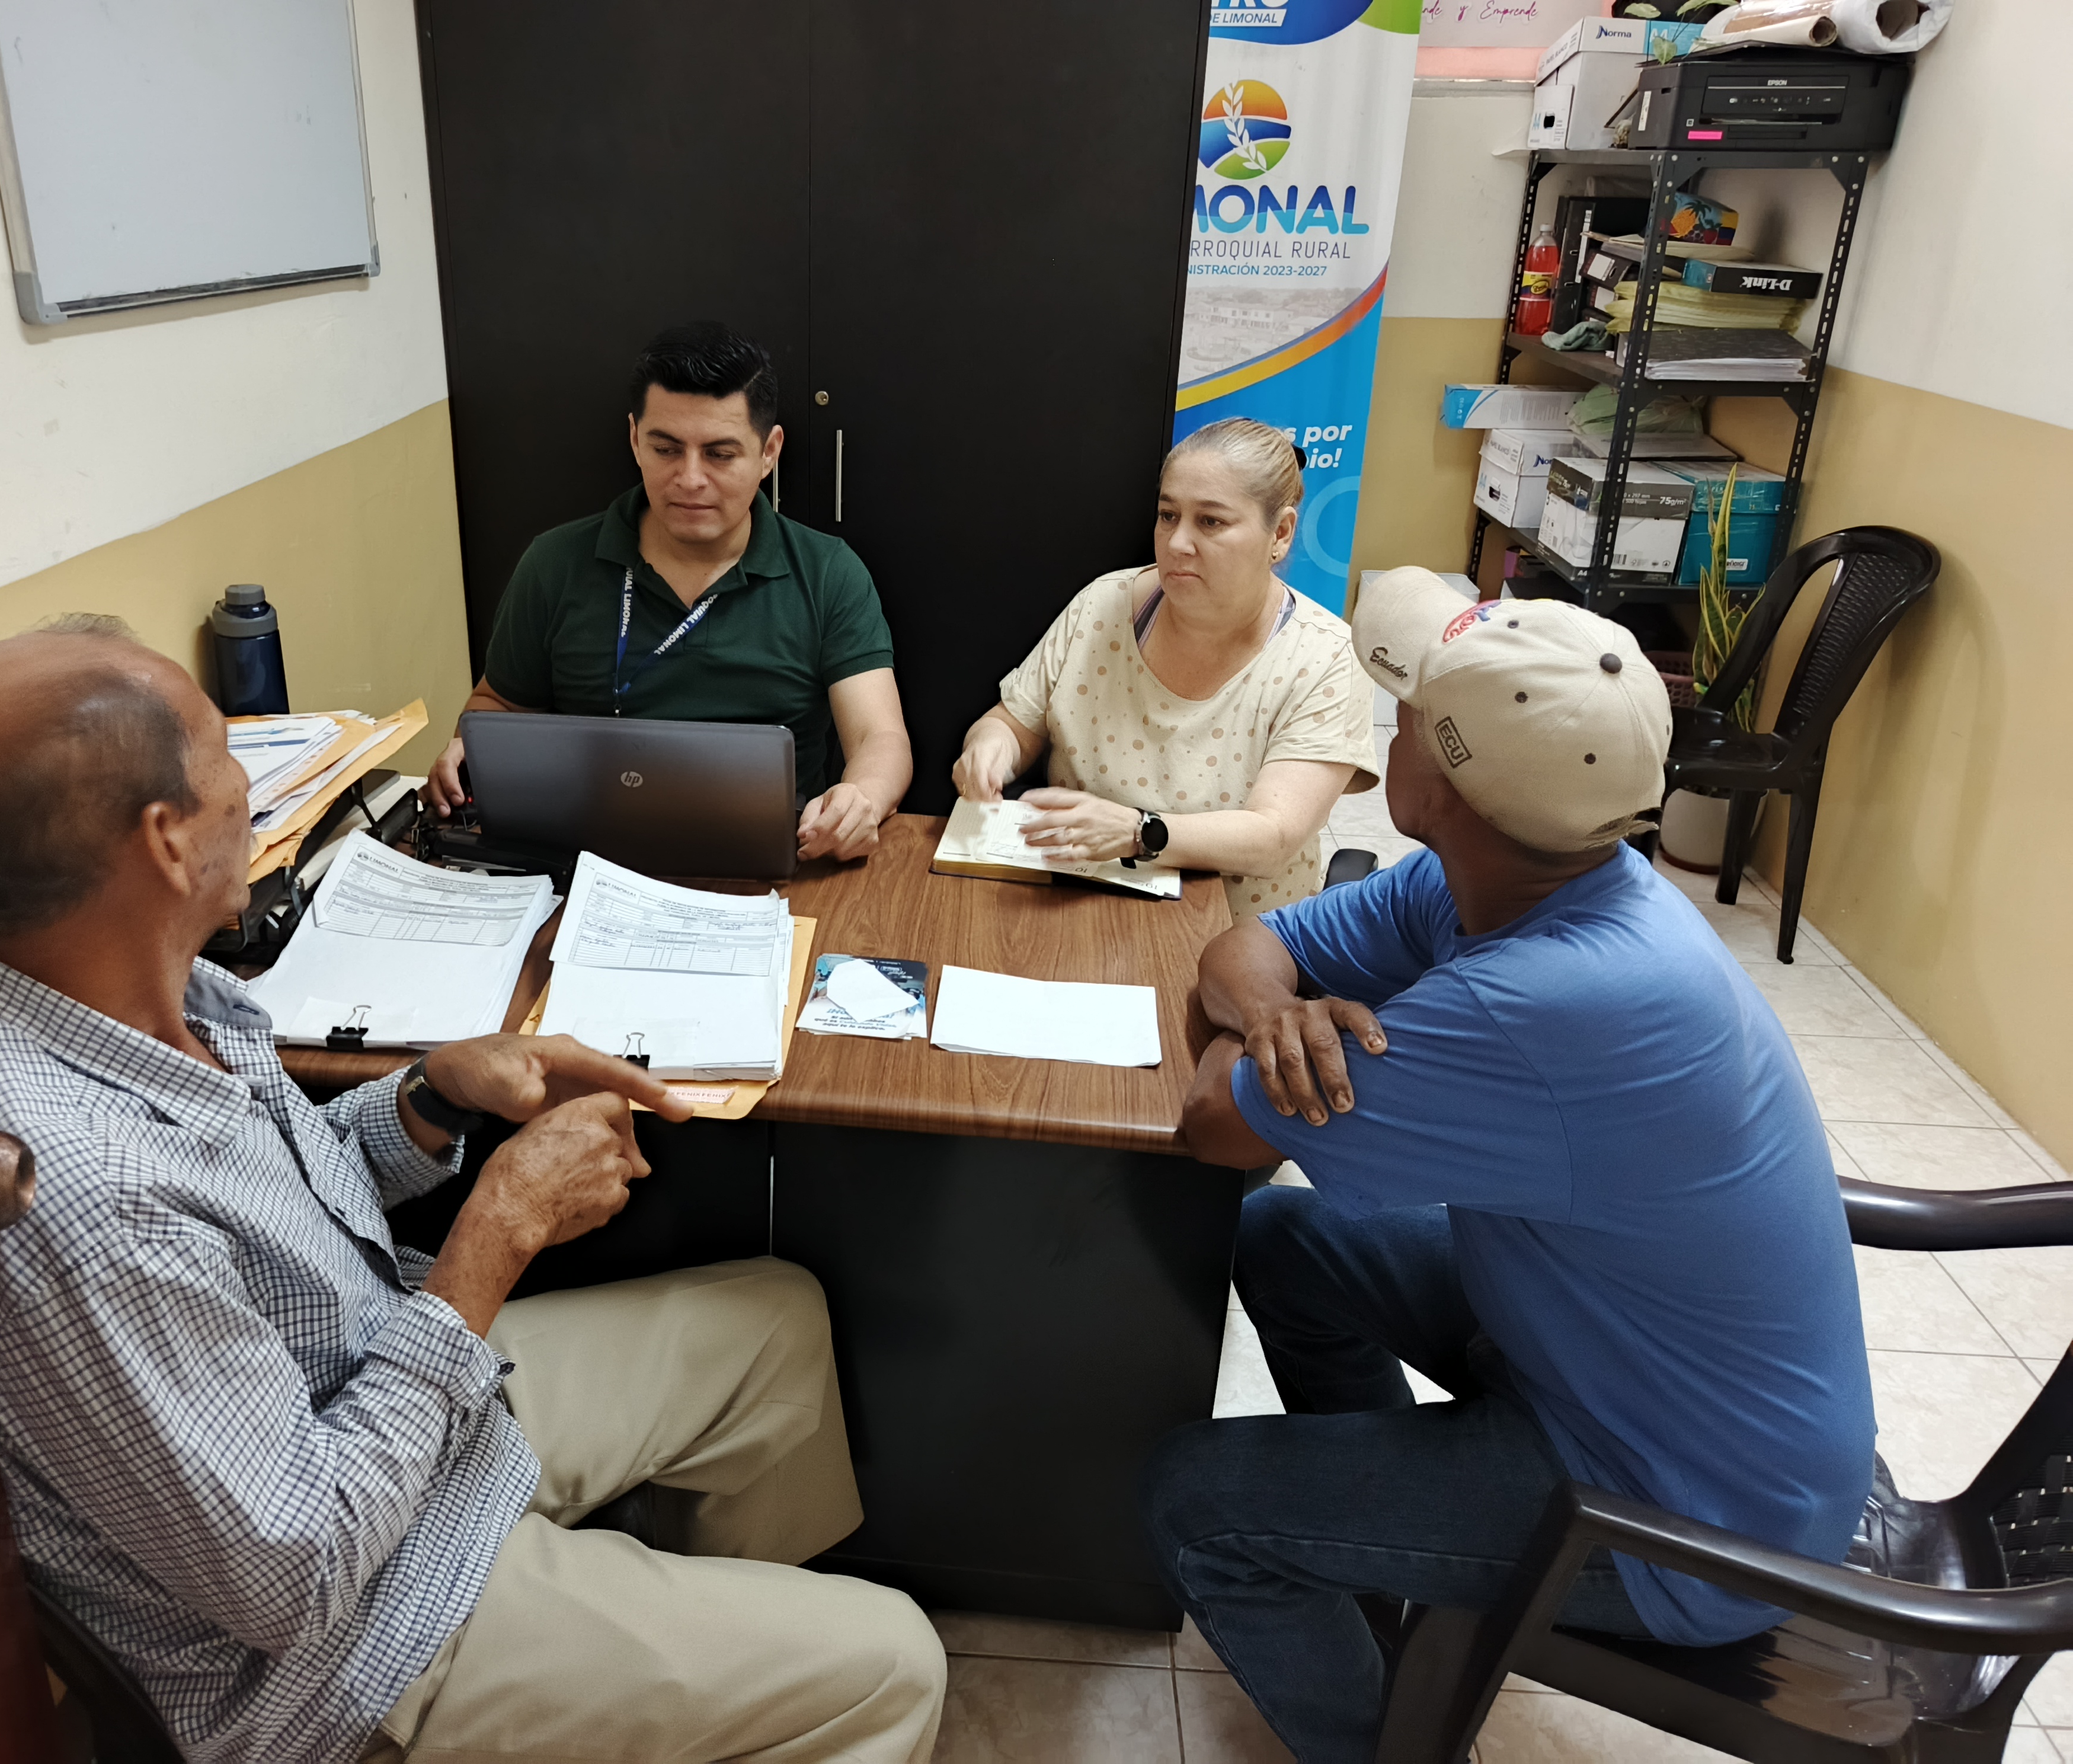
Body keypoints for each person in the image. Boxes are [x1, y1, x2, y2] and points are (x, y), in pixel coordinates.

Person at [0, 616, 944, 1764]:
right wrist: (497, 1233)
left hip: (384, 1414)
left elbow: (276, 1210)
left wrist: (433, 1096)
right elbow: (294, 1574)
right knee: (894, 1665)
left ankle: (689, 1695)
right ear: (165, 839)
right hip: (351, 1645)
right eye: (230, 755)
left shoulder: (116, 981)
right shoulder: (80, 1189)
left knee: (774, 1320)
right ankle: (698, 1681)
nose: (254, 789)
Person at [1149, 568, 1875, 1764]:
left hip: (1686, 1519)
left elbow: (1210, 1127)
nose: (1389, 726)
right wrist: (1276, 1018)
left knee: (1195, 1501)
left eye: (1404, 714)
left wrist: (1253, 1044)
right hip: (1617, 1374)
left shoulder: (1538, 1004)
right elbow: (1251, 944)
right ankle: (1386, 1569)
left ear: (1432, 786)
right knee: (1284, 1239)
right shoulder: (1525, 872)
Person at [427, 321, 911, 862]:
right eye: (666, 449)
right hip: (583, 855)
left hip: (774, 861)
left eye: (720, 454)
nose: (690, 478)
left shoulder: (828, 573)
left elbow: (880, 739)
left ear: (769, 452)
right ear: (635, 439)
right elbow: (497, 704)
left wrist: (862, 799)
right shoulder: (555, 563)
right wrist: (469, 748)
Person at [949, 418, 1377, 918]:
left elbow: (1274, 835)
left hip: (1238, 932)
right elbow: (1012, 722)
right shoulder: (1102, 605)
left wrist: (1138, 832)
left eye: (1210, 522)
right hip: (1077, 902)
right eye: (1168, 515)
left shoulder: (1328, 657)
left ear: (1280, 533)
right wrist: (991, 750)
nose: (1177, 543)